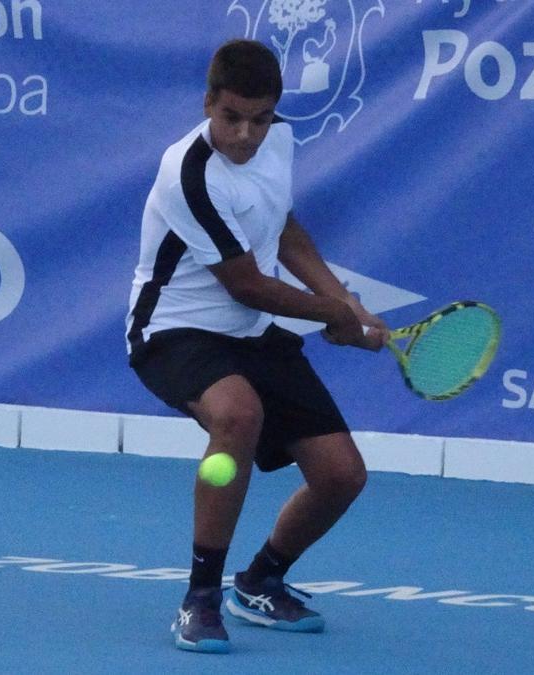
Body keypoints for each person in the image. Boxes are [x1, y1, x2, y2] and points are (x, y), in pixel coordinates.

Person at [125, 38, 390, 654]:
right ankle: (200, 598)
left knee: (342, 476)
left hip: (247, 335)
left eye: (261, 119)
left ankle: (261, 580)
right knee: (238, 415)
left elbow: (284, 229)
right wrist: (334, 316)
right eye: (232, 118)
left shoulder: (279, 142)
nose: (246, 134)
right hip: (174, 329)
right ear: (208, 102)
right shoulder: (188, 174)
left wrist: (344, 303)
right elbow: (245, 285)